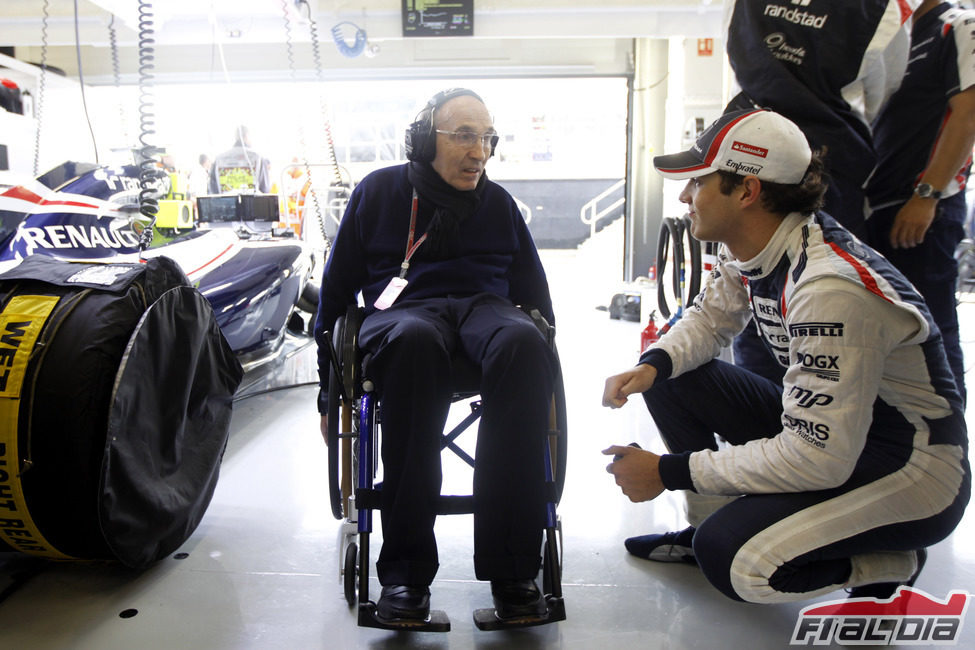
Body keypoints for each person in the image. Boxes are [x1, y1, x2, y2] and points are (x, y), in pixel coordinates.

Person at [602, 109, 970, 604]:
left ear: (748, 191)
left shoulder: (828, 289)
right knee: (671, 375)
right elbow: (711, 320)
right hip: (845, 437)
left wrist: (668, 470)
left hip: (912, 471)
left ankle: (888, 560)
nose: (685, 197)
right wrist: (651, 366)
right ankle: (709, 527)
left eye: (698, 182)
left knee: (733, 560)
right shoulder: (770, 241)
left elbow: (816, 459)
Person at [314, 88, 557, 624]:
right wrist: (329, 392)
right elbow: (335, 297)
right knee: (415, 342)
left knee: (522, 342)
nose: (480, 152)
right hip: (405, 319)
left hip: (485, 312)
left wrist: (545, 346)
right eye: (465, 136)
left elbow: (534, 295)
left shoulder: (498, 204)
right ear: (425, 141)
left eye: (487, 138)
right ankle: (404, 576)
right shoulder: (378, 193)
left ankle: (515, 570)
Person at [722, 0, 919, 381]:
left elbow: (736, 59)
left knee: (755, 288)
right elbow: (885, 90)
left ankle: (765, 418)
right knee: (831, 294)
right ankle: (813, 410)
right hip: (830, 159)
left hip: (750, 150)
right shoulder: (882, 10)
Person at [865, 0, 975, 403]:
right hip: (878, 209)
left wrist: (927, 195)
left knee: (932, 331)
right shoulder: (895, 35)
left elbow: (968, 115)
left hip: (921, 207)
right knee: (891, 338)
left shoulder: (957, 25)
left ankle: (951, 452)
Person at [208, 126, 271, 194]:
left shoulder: (218, 160)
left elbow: (213, 191)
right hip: (252, 204)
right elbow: (265, 190)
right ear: (247, 135)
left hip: (226, 204)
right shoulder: (258, 158)